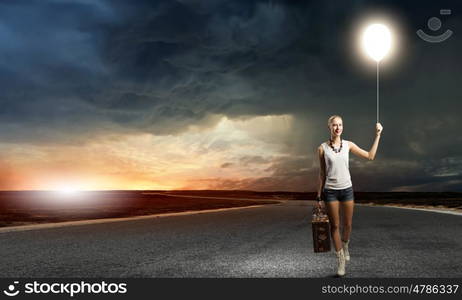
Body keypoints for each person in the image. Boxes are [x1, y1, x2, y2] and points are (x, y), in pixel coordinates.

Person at [315, 115, 383, 277]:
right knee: (335, 227)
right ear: (329, 127)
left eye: (340, 125)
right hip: (330, 191)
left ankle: (345, 245)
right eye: (334, 125)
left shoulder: (348, 145)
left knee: (348, 225)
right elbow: (322, 174)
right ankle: (340, 260)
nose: (337, 128)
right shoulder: (322, 148)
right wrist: (318, 196)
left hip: (347, 190)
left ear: (343, 127)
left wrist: (378, 135)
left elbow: (370, 156)